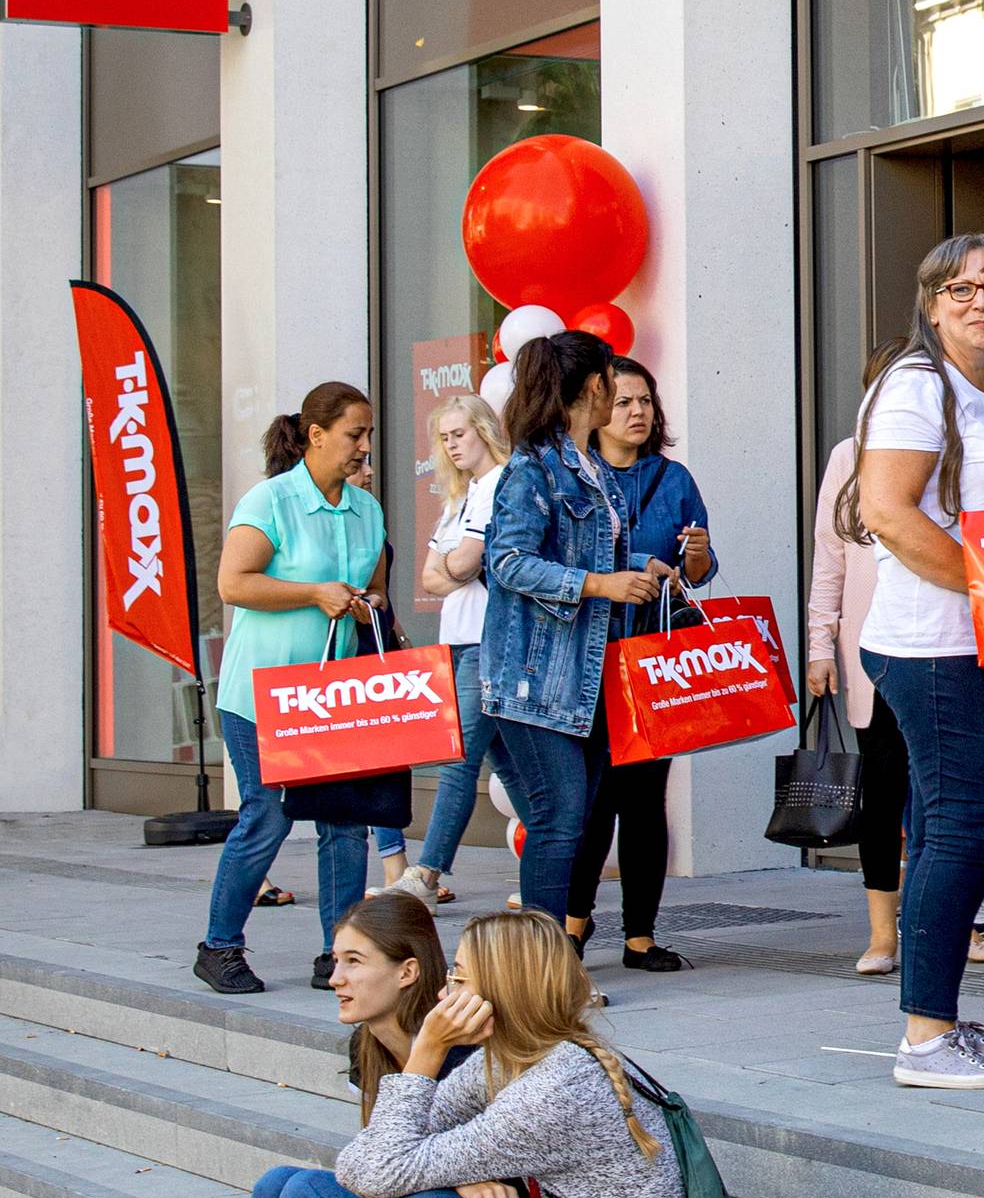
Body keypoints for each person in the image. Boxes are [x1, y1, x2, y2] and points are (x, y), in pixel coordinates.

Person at [846, 234, 984, 1088]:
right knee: (960, 829)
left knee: (941, 829)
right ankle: (926, 1039)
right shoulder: (917, 386)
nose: (981, 302)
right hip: (935, 646)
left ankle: (939, 1022)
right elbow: (889, 512)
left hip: (982, 642)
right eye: (960, 290)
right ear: (930, 305)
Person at [195, 383, 389, 996]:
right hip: (262, 694)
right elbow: (233, 583)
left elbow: (373, 594)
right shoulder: (271, 499)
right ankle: (219, 947)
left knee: (345, 824)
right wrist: (313, 592)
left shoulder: (367, 510)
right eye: (354, 434)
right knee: (268, 816)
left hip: (337, 698)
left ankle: (342, 954)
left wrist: (366, 604)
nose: (364, 447)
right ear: (316, 435)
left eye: (369, 435)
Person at [484, 331, 670, 937]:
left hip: (585, 677)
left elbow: (587, 557)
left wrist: (639, 573)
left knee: (575, 817)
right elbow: (506, 562)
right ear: (597, 386)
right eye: (613, 381)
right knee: (559, 819)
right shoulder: (534, 468)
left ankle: (551, 961)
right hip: (536, 677)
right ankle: (541, 967)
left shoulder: (589, 467)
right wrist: (598, 584)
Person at [333, 911, 682, 1198]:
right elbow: (360, 1161)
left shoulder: (554, 1090)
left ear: (500, 989)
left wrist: (427, 1052)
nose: (442, 992)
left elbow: (377, 1171)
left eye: (457, 977)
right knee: (288, 1182)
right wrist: (455, 1177)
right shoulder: (510, 1059)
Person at [561, 355, 715, 972]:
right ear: (598, 411)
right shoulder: (575, 475)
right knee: (591, 799)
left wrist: (696, 557)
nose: (636, 412)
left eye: (645, 401)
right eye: (624, 402)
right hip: (590, 658)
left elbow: (698, 576)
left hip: (655, 659)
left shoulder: (673, 479)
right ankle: (572, 926)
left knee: (647, 798)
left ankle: (640, 936)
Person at [251, 896, 504, 1198]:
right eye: (335, 961)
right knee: (275, 1182)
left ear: (407, 972)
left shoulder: (463, 1045)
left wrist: (459, 1175)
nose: (334, 979)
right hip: (413, 1177)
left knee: (308, 1190)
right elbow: (375, 1158)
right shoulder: (364, 1045)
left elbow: (501, 1150)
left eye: (354, 961)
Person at [809, 337, 923, 977]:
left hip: (944, 647)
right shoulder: (848, 459)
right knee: (882, 794)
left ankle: (951, 923)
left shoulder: (952, 452)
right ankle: (883, 933)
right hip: (869, 655)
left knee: (943, 799)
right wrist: (818, 645)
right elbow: (829, 559)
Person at [378, 398, 515, 911]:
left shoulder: (502, 482)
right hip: (457, 638)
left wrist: (457, 567)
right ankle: (563, 856)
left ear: (483, 429)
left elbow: (466, 560)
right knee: (505, 763)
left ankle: (427, 871)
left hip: (487, 638)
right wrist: (458, 568)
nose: (452, 445)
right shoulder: (460, 496)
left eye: (459, 433)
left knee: (459, 758)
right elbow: (432, 574)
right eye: (445, 438)